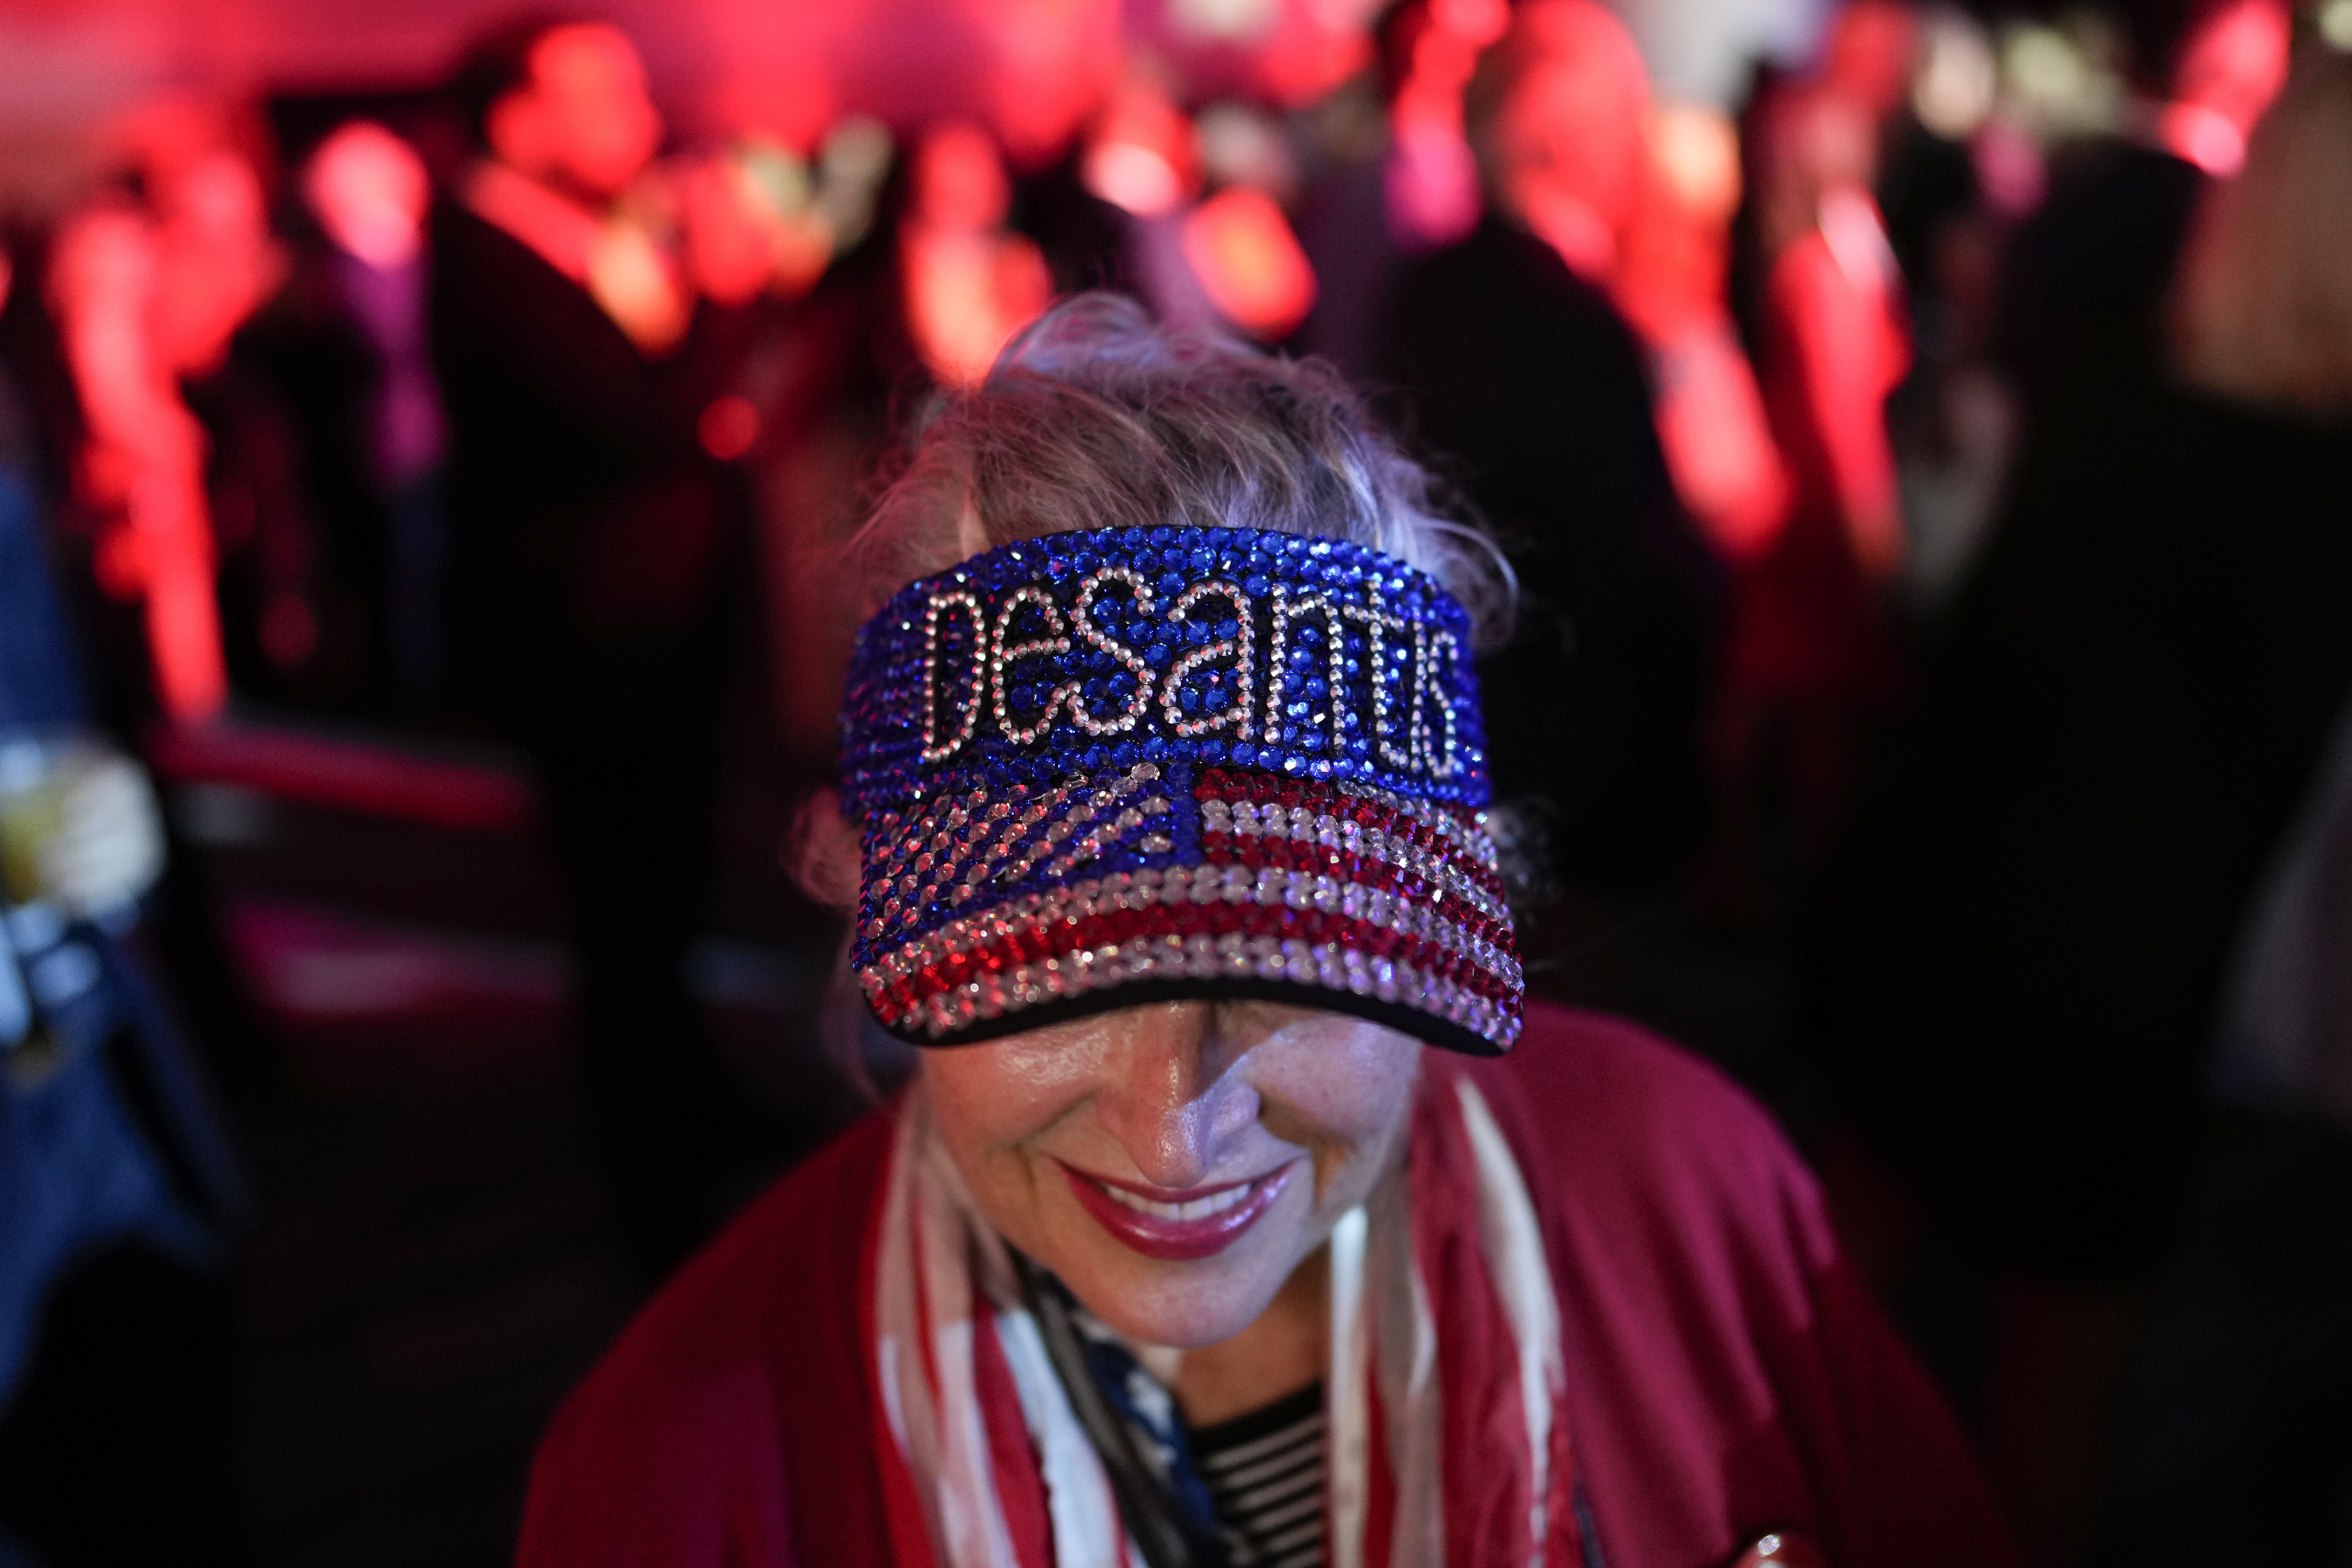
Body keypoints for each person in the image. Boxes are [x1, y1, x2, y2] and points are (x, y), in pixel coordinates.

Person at [513, 295, 2016, 1568]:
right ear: (866, 909)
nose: (1178, 1126)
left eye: (1289, 967)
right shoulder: (669, 1476)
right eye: (1058, 968)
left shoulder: (1694, 1204)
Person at [1803, 44, 2352, 1566]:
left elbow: (1973, 678)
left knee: (1825, 1338)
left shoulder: (2115, 410)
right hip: (2138, 999)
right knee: (2047, 1416)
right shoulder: (2314, 500)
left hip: (1965, 929)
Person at [430, 18, 793, 1273]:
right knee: (621, 916)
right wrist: (730, 289)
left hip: (649, 628)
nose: (637, 115)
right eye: (603, 92)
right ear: (516, 119)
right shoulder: (478, 248)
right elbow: (642, 419)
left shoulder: (579, 232)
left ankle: (693, 1102)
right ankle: (654, 1185)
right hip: (584, 650)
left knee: (670, 893)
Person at [1381, 0, 1719, 901]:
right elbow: (1617, 541)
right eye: (1618, 117)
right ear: (1551, 134)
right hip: (1569, 763)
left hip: (1459, 742)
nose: (1634, 145)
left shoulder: (1425, 290)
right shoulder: (1566, 321)